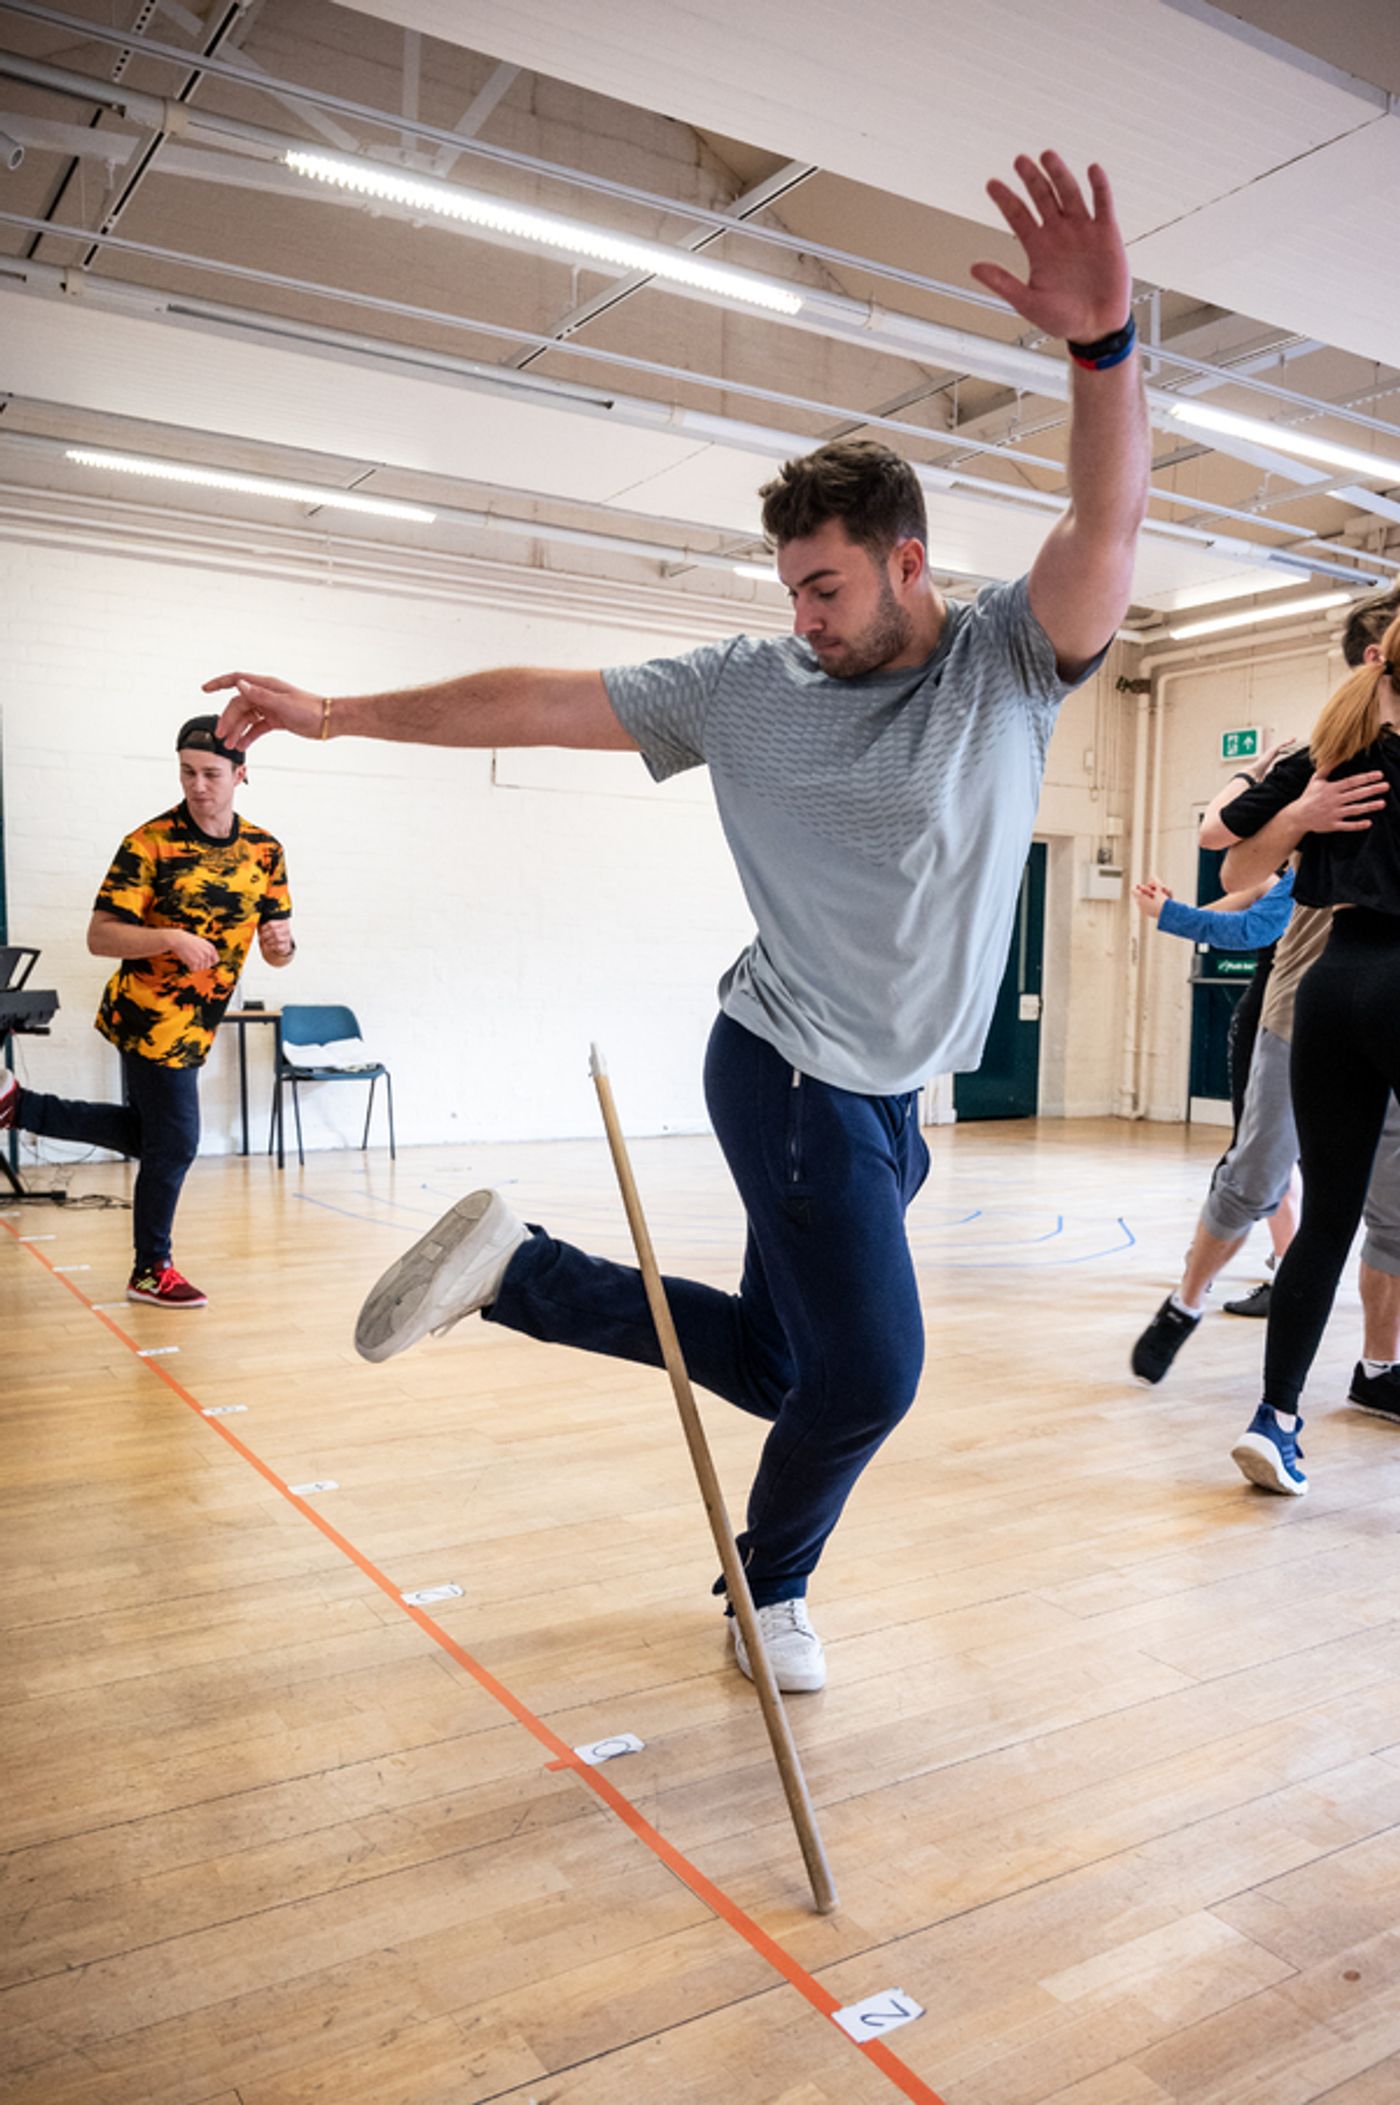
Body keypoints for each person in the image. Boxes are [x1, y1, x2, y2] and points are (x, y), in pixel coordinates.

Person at [204, 150, 1149, 1690]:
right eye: (789, 588)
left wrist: (1103, 354)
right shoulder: (744, 687)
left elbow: (1104, 524)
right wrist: (339, 715)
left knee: (784, 1363)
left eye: (829, 587)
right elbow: (540, 698)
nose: (805, 618)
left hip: (894, 1093)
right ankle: (767, 1586)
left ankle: (523, 1273)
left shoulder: (1005, 662)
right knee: (874, 1374)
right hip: (786, 1065)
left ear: (910, 561)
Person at [1132, 592, 1400, 1403]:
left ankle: (1378, 1367)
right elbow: (1227, 849)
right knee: (1258, 1171)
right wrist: (1290, 800)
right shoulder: (1329, 747)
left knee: (1390, 1204)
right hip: (1308, 996)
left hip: (1382, 995)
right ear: (1373, 660)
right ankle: (1186, 1301)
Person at [1204, 601, 1400, 1493]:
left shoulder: (1331, 740)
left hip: (1333, 989)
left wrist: (1301, 815)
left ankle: (1275, 1419)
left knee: (1326, 1218)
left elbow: (1234, 873)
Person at [0, 716, 295, 1306]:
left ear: (242, 775)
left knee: (158, 1138)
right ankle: (150, 1269)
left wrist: (280, 948)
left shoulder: (265, 850)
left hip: (200, 1022)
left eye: (211, 773)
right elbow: (101, 936)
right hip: (147, 1013)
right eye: (187, 772)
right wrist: (168, 937)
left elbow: (278, 940)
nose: (198, 785)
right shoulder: (149, 842)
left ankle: (17, 1104)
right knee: (178, 1141)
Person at [1133, 859, 1298, 1315]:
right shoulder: (1285, 876)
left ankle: (1248, 1274)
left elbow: (1248, 929)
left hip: (1282, 1019)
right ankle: (1272, 1266)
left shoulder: (1305, 874)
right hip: (1299, 1015)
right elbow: (1229, 911)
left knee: (1262, 1150)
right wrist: (1169, 907)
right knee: (1276, 1153)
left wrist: (1168, 913)